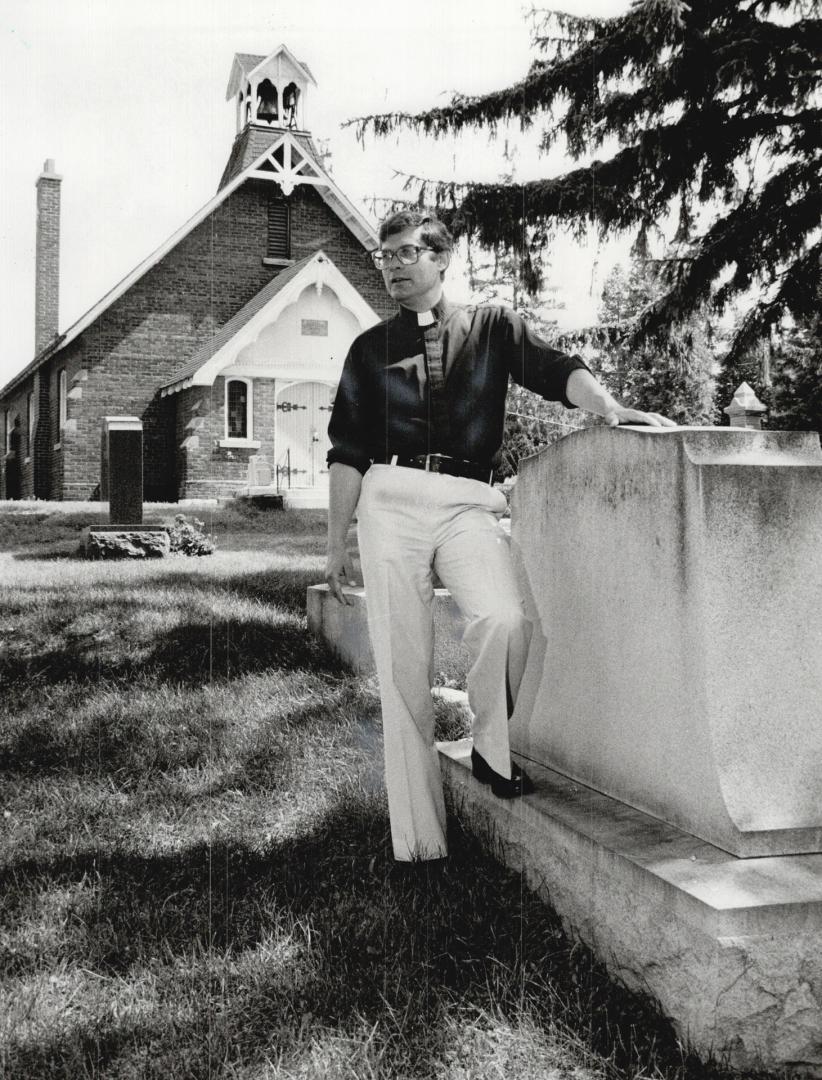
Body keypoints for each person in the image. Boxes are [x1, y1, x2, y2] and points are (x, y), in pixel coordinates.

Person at [325, 210, 674, 863]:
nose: (394, 266)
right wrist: (333, 543)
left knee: (505, 618)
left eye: (406, 253)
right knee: (404, 670)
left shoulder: (491, 327)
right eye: (384, 257)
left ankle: (491, 751)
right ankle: (421, 846)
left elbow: (552, 366)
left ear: (441, 259)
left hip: (467, 502)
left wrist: (610, 407)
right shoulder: (368, 349)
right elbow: (346, 451)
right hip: (390, 503)